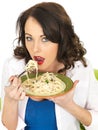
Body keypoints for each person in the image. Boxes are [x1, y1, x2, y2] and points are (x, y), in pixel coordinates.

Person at [1, 2, 98, 130]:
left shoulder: (81, 69)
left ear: (61, 38)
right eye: (29, 38)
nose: (35, 49)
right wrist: (10, 99)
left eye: (45, 39)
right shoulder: (14, 66)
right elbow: (10, 127)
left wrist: (69, 105)